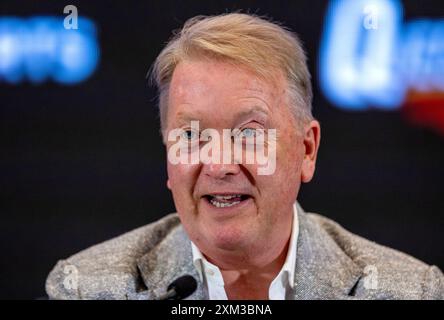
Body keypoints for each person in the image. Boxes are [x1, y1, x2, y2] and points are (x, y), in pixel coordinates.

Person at [46, 13, 443, 300]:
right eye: (190, 135)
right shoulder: (87, 288)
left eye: (249, 135)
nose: (219, 165)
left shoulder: (408, 291)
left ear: (307, 150)